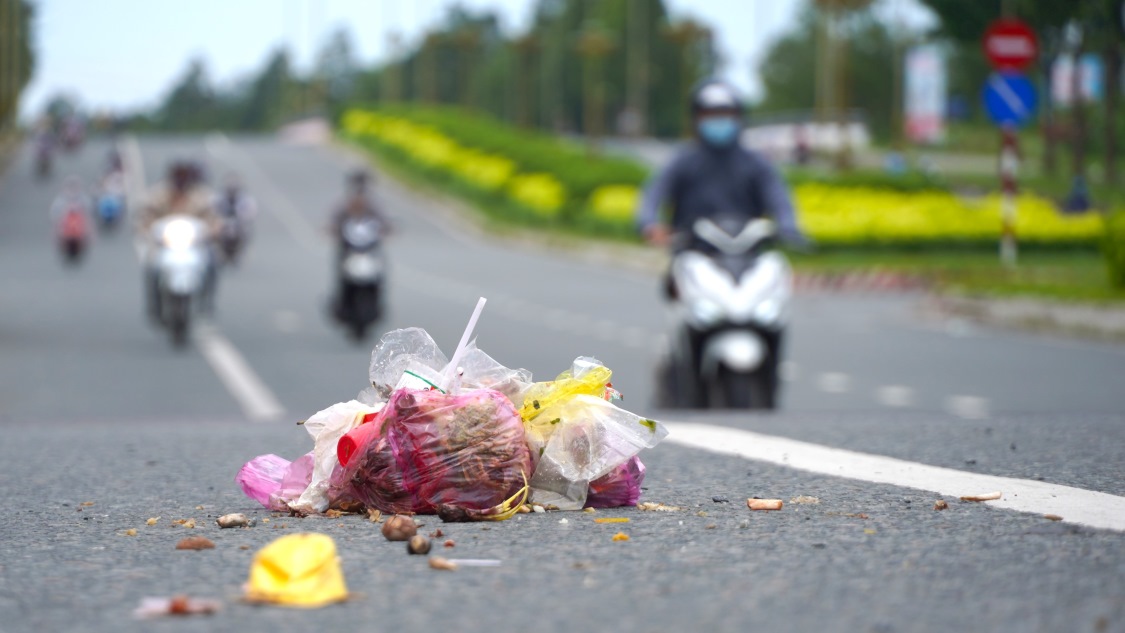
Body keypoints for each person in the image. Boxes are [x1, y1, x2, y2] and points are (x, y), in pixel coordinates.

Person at [636, 80, 807, 251]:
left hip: (746, 255)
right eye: (710, 114)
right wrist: (649, 224)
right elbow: (655, 192)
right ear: (697, 118)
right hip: (692, 254)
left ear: (738, 117)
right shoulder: (683, 161)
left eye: (725, 114)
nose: (718, 119)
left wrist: (788, 228)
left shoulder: (756, 163)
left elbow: (778, 198)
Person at [137, 161, 221, 319]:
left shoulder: (201, 196)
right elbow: (146, 216)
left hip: (193, 243)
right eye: (178, 178)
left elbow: (213, 218)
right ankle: (155, 306)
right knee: (151, 267)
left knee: (213, 262)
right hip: (166, 244)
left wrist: (212, 231)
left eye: (184, 178)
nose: (181, 182)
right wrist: (147, 231)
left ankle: (207, 301)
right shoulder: (159, 195)